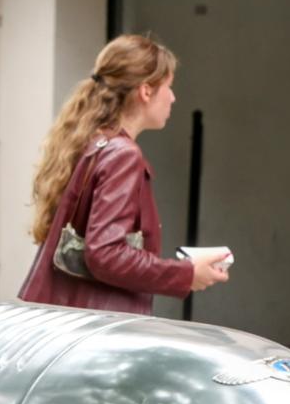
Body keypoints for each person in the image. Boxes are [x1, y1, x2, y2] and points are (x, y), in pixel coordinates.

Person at [17, 34, 231, 313]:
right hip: (95, 329)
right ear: (146, 91)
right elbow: (105, 254)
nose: (174, 98)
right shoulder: (123, 155)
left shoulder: (91, 142)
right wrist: (186, 274)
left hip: (64, 321)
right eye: (169, 87)